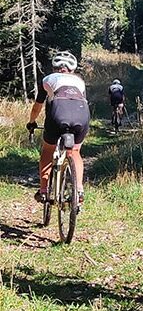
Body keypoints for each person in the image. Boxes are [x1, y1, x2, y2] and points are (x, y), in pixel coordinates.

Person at [27, 51, 90, 204]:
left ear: (54, 67)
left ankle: (43, 191)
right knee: (75, 151)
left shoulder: (48, 79)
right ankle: (79, 190)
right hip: (82, 115)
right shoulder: (80, 82)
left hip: (57, 114)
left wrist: (32, 122)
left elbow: (37, 106)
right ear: (72, 69)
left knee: (48, 149)